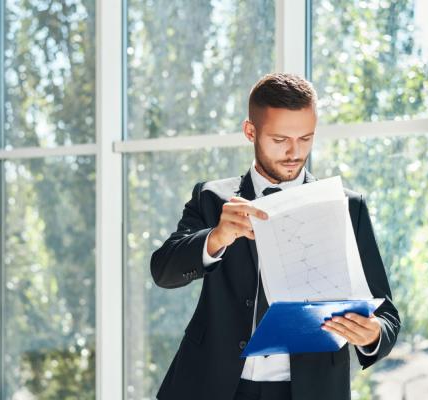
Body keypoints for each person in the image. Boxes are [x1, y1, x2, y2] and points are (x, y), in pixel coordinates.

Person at [150, 73, 400, 400]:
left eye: (305, 138)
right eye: (280, 140)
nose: (294, 153)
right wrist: (216, 237)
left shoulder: (347, 206)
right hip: (214, 385)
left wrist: (372, 334)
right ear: (250, 132)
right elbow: (163, 271)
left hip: (311, 390)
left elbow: (386, 316)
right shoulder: (212, 197)